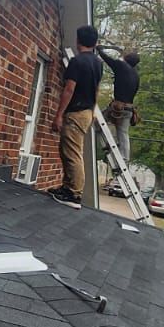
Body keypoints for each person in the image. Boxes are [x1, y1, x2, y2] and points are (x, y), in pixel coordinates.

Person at [50, 25, 103, 204]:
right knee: (66, 150)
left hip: (76, 113)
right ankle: (67, 187)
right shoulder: (98, 63)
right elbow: (96, 89)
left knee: (72, 153)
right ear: (95, 42)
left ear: (78, 41)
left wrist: (58, 115)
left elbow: (69, 89)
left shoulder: (77, 62)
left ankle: (74, 194)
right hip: (87, 112)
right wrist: (93, 109)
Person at [97, 46, 140, 169]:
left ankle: (108, 144)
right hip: (129, 109)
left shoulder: (122, 67)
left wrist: (99, 50)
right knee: (123, 134)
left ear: (126, 59)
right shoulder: (136, 75)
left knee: (96, 123)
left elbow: (108, 59)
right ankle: (124, 161)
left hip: (118, 107)